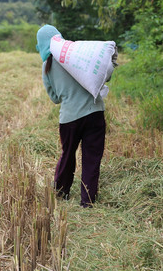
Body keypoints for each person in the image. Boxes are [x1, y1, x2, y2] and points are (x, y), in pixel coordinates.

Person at [36, 25, 106, 208]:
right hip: (94, 112)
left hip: (69, 119)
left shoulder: (47, 66)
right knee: (91, 157)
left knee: (68, 155)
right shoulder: (77, 54)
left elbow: (55, 98)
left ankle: (61, 193)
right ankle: (87, 200)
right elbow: (103, 73)